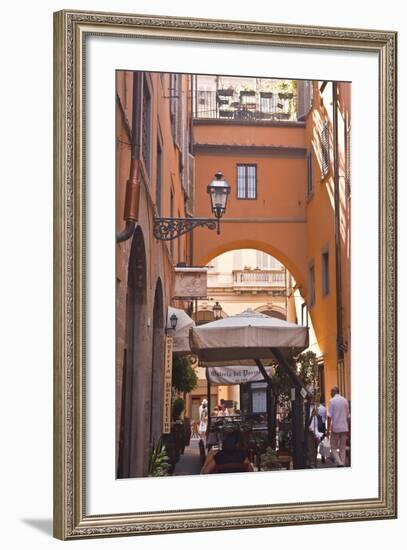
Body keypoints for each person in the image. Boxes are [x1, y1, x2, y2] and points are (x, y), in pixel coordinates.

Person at [327, 386, 350, 467]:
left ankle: (340, 463)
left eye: (331, 391)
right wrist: (348, 429)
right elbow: (348, 416)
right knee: (342, 448)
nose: (330, 393)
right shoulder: (345, 400)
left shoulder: (331, 401)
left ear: (334, 392)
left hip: (336, 427)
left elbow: (329, 417)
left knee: (333, 447)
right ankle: (342, 463)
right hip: (344, 427)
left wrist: (328, 430)